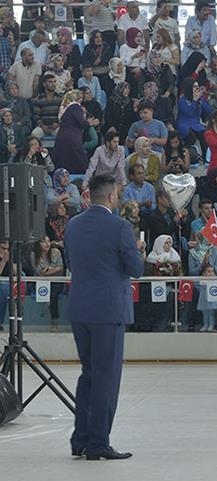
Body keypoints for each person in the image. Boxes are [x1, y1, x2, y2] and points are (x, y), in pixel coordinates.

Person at [64, 173, 146, 460]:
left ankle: (81, 438)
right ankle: (98, 442)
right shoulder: (120, 227)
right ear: (111, 196)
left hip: (80, 308)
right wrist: (139, 252)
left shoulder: (73, 225)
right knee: (106, 378)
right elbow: (135, 268)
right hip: (108, 310)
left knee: (88, 374)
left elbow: (71, 262)